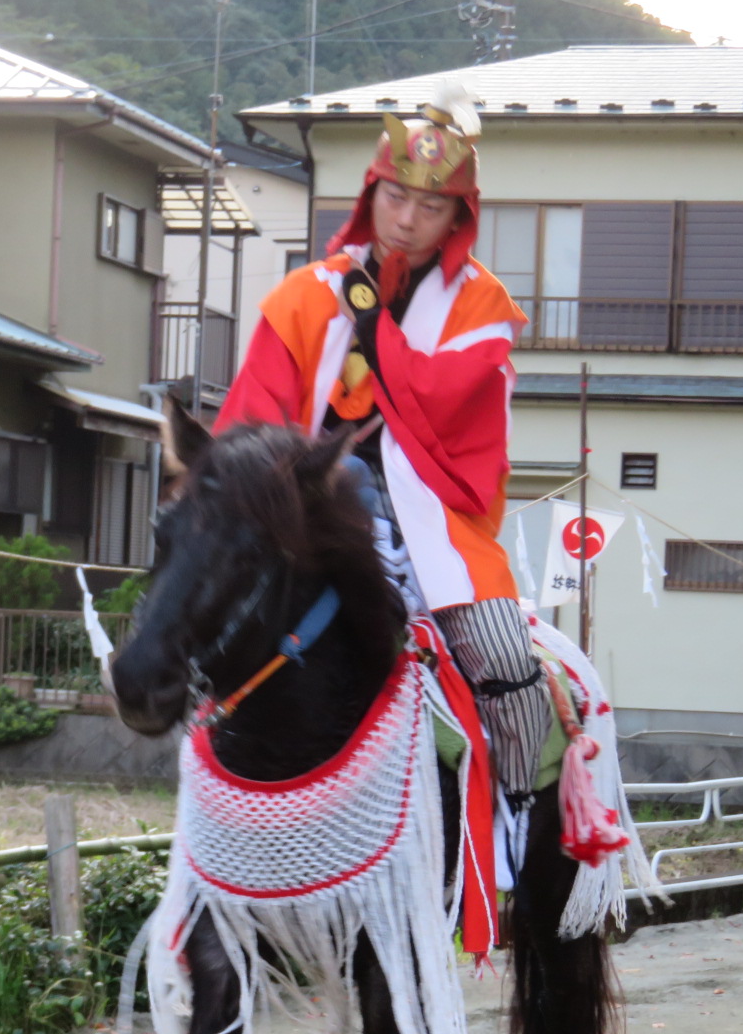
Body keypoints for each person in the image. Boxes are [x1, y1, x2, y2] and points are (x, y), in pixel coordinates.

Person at [214, 86, 550, 816]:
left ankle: (518, 817)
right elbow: (253, 420)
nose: (407, 219)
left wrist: (373, 331)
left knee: (505, 656)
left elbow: (441, 401)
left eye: (430, 208)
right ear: (372, 194)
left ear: (459, 218)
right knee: (206, 622)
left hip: (429, 520)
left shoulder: (481, 307)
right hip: (308, 517)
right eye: (396, 197)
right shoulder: (303, 296)